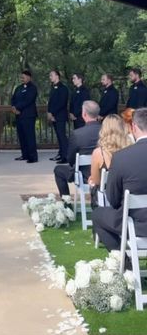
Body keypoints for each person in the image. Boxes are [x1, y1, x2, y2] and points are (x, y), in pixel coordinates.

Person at [92, 108, 147, 252]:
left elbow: (113, 199)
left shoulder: (122, 157)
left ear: (134, 127)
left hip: (135, 224)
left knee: (98, 214)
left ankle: (125, 262)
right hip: (137, 222)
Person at [54, 100, 101, 197]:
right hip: (104, 173)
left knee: (58, 170)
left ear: (84, 114)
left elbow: (70, 159)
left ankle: (67, 204)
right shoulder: (107, 131)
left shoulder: (77, 134)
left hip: (83, 175)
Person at [88, 114, 131, 191]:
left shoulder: (98, 153)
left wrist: (91, 181)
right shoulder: (131, 149)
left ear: (103, 130)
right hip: (126, 193)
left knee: (92, 183)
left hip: (106, 197)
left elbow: (96, 181)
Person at [11, 70, 38, 163]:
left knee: (29, 136)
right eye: (21, 77)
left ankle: (33, 157)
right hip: (19, 116)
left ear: (29, 77)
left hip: (28, 115)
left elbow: (29, 100)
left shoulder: (33, 88)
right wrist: (14, 107)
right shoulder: (18, 88)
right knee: (22, 136)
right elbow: (13, 99)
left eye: (24, 77)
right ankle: (24, 155)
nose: (22, 78)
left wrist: (18, 108)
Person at [47, 70, 69, 164]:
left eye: (51, 75)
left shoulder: (63, 88)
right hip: (54, 116)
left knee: (62, 136)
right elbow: (51, 102)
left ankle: (66, 156)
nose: (50, 77)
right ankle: (60, 154)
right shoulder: (53, 88)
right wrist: (49, 112)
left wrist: (52, 112)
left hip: (60, 116)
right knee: (59, 136)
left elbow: (62, 103)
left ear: (57, 76)